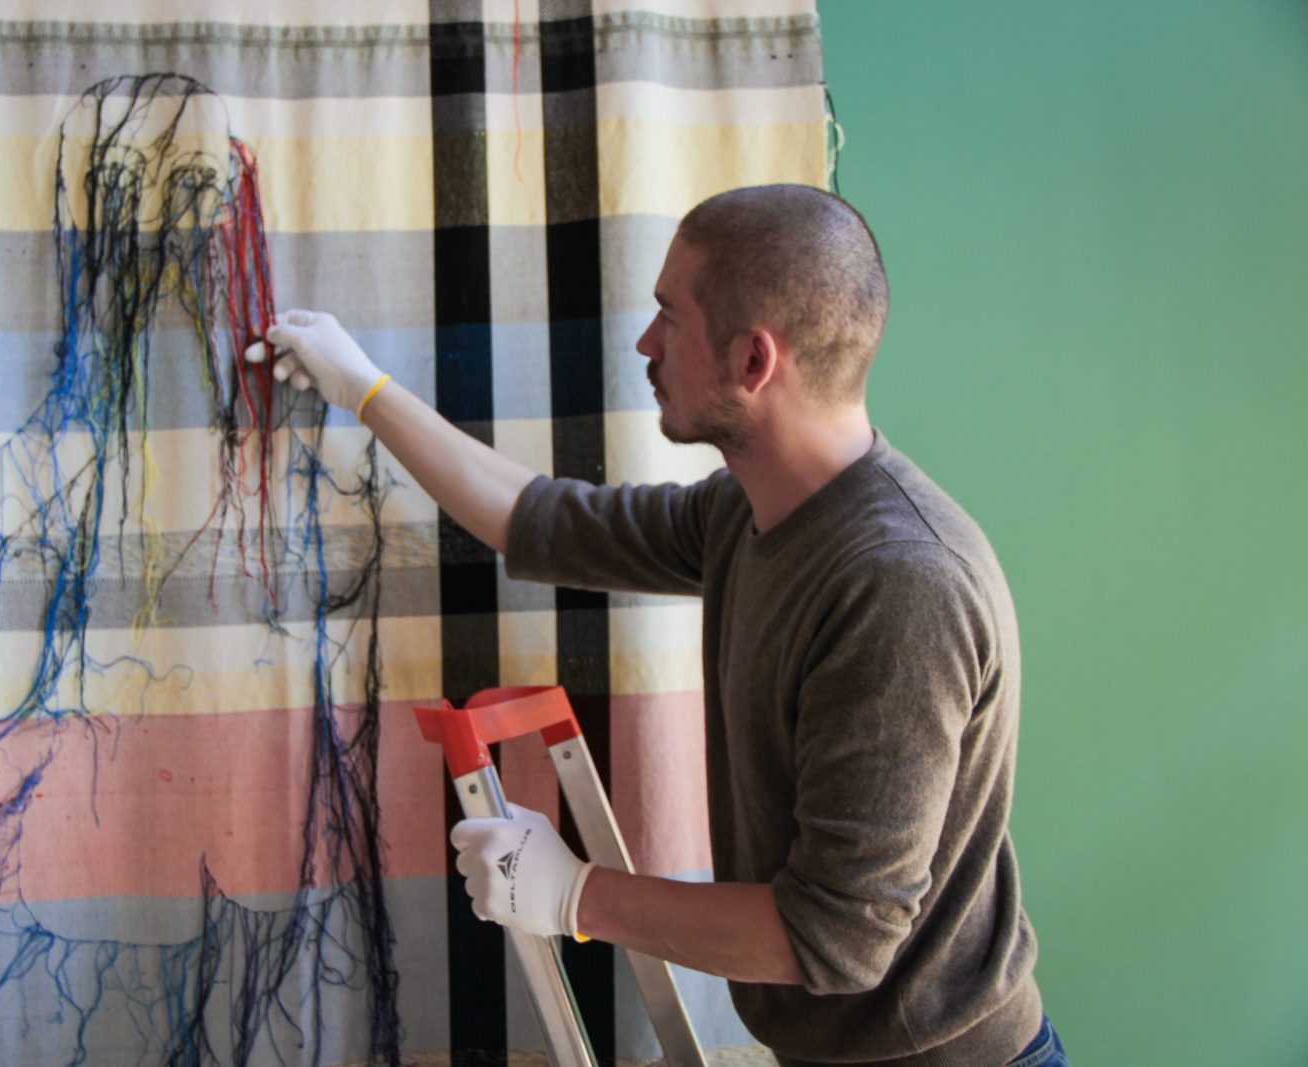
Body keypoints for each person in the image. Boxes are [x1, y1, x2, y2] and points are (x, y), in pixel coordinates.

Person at [246, 184, 1067, 1067]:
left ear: (754, 361)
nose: (645, 342)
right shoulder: (749, 514)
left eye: (668, 317)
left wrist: (575, 894)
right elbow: (538, 519)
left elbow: (832, 936)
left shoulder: (899, 585)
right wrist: (363, 387)